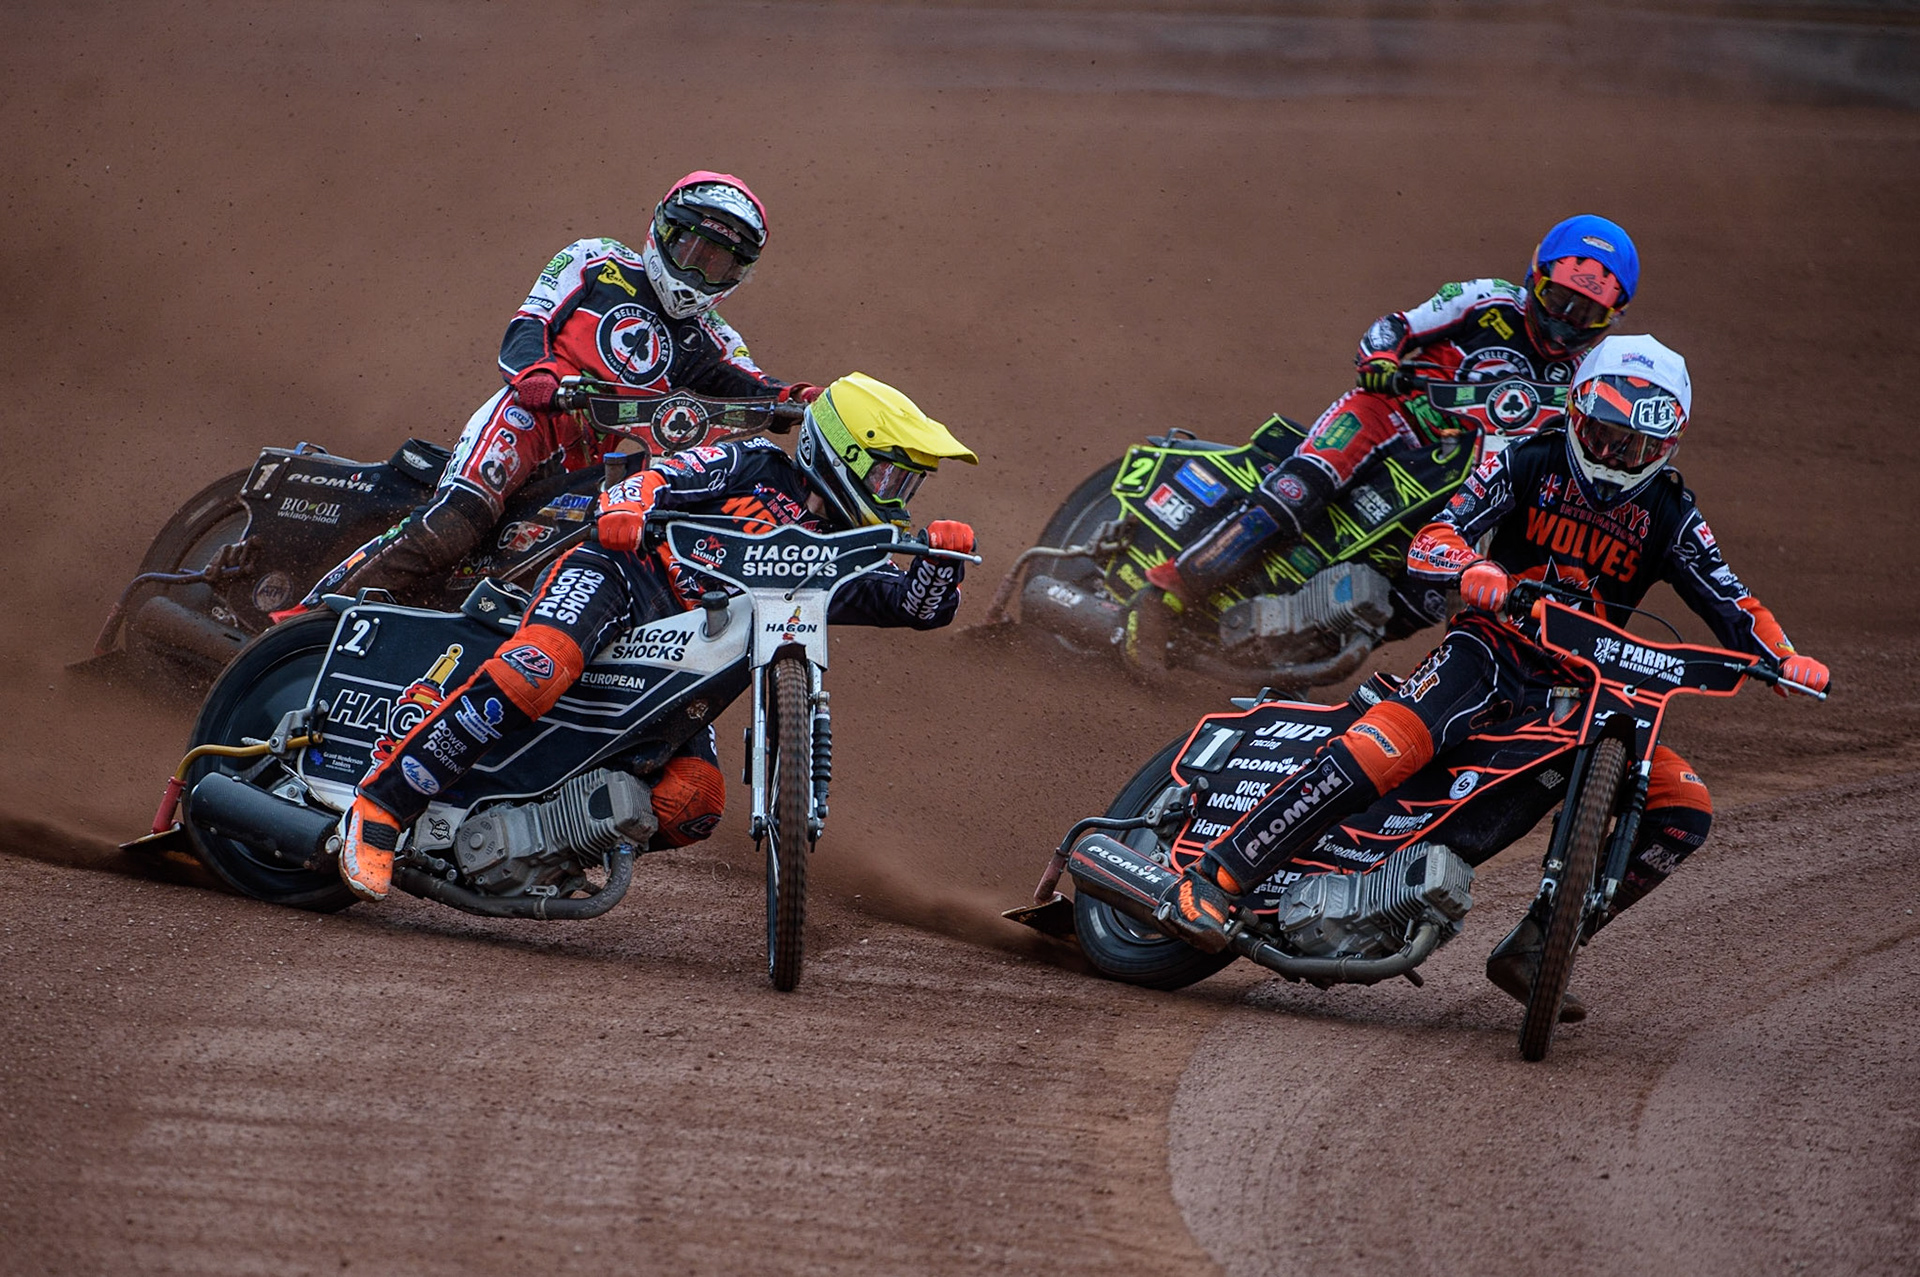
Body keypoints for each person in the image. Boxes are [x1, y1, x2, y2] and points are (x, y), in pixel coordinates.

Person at [1146, 334, 1829, 1017]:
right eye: (1604, 434)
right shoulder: (1528, 458)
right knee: (1394, 742)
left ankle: (1542, 942)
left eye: (1635, 447)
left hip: (1587, 689)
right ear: (1577, 412)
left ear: (1667, 445)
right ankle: (1218, 874)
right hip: (1491, 649)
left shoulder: (1672, 514)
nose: (1616, 457)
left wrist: (1784, 656)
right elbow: (1434, 538)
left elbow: (1736, 603)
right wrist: (1474, 570)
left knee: (1685, 812)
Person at [333, 373, 978, 902]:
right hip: (620, 579)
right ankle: (383, 806)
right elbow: (664, 475)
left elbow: (912, 607)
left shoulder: (846, 552)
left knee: (693, 801)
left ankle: (552, 837)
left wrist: (942, 561)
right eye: (894, 477)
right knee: (539, 666)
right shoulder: (754, 464)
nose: (899, 497)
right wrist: (628, 503)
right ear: (845, 453)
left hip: (685, 662)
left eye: (909, 484)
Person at [285, 170, 820, 614]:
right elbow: (528, 326)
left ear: (737, 274)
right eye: (689, 249)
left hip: (609, 465)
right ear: (662, 231)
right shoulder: (596, 261)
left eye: (716, 263)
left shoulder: (715, 339)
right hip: (535, 416)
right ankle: (300, 619)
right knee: (455, 522)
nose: (697, 271)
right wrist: (538, 377)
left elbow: (755, 389)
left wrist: (799, 399)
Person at [1137, 215, 1641, 643]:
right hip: (1391, 417)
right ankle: (1167, 591)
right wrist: (1381, 358)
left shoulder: (1591, 373)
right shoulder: (1486, 300)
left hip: (1469, 476)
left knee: (1427, 595)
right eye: (1558, 301)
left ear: (1612, 317)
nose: (1567, 321)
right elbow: (1395, 326)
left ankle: (1293, 648)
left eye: (1588, 312)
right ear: (1535, 279)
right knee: (1294, 494)